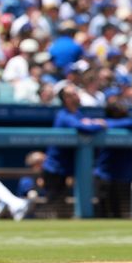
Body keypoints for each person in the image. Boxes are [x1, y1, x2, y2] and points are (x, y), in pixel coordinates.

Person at [42, 84, 107, 216]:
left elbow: (85, 122)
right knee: (54, 207)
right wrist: (98, 124)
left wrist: (93, 122)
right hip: (54, 168)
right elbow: (84, 128)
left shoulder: (77, 113)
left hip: (67, 168)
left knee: (62, 209)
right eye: (73, 94)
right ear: (66, 99)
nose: (77, 96)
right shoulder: (63, 115)